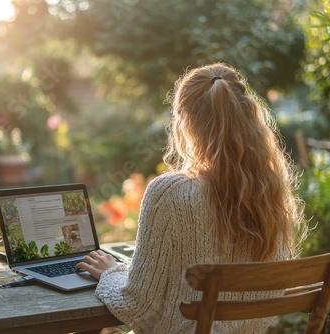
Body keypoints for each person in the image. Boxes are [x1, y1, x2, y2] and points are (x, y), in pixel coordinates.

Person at [75, 62, 306, 333]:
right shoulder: (268, 192)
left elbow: (134, 306)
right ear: (248, 118)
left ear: (185, 123)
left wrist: (110, 273)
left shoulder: (170, 192)